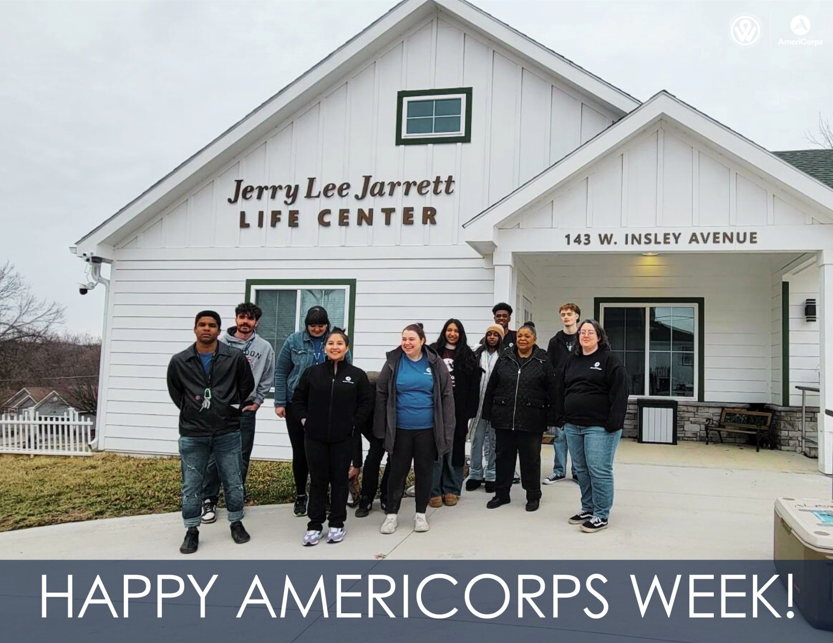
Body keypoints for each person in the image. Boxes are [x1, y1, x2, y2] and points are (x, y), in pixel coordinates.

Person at [166, 310, 255, 554]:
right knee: (191, 484)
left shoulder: (234, 357)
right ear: (195, 328)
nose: (207, 329)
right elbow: (176, 392)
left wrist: (228, 405)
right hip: (193, 433)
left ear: (218, 329)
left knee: (233, 480)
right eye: (202, 325)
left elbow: (246, 385)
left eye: (212, 325)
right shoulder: (180, 361)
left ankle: (236, 523)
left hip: (227, 429)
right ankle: (191, 530)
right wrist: (194, 409)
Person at [292, 328, 373, 546]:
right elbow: (298, 398)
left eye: (339, 344)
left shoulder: (356, 375)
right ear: (325, 347)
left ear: (346, 348)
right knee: (318, 481)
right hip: (315, 437)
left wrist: (353, 422)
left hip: (343, 438)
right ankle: (315, 525)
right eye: (330, 343)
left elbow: (366, 402)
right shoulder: (312, 373)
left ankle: (337, 523)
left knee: (339, 480)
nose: (334, 347)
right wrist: (304, 420)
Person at [375, 324, 455, 534]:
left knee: (424, 472)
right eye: (404, 339)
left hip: (427, 429)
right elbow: (382, 391)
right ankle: (391, 515)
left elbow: (446, 396)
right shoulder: (394, 362)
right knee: (397, 472)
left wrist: (447, 429)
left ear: (422, 341)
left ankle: (420, 514)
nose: (407, 343)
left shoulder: (435, 363)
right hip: (400, 428)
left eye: (412, 339)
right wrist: (382, 425)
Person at [201, 302, 275, 524]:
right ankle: (208, 499)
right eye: (242, 317)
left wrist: (258, 401)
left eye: (250, 318)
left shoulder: (264, 348)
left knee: (241, 456)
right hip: (220, 410)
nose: (245, 322)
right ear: (236, 319)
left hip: (246, 409)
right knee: (214, 455)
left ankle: (236, 497)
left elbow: (267, 377)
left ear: (256, 322)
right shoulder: (219, 343)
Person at [274, 306, 350, 518]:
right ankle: (300, 495)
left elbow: (347, 370)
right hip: (296, 403)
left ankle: (322, 494)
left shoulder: (336, 340)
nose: (317, 329)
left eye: (321, 325)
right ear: (306, 325)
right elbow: (281, 371)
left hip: (328, 405)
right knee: (301, 452)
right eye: (312, 325)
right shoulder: (293, 341)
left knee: (324, 453)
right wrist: (279, 402)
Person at [556, 319, 628, 533]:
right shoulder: (572, 360)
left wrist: (613, 423)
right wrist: (561, 417)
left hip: (600, 427)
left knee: (599, 469)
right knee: (582, 470)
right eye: (582, 332)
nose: (585, 335)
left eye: (590, 332)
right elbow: (561, 388)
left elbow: (620, 392)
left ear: (599, 336)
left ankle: (601, 514)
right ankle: (587, 508)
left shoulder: (609, 360)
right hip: (573, 425)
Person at [481, 321, 555, 512]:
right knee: (503, 458)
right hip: (504, 416)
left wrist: (552, 418)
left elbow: (552, 390)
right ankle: (501, 494)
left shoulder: (543, 360)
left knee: (530, 459)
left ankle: (533, 495)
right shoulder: (505, 358)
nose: (522, 339)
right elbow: (492, 385)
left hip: (532, 418)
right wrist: (487, 411)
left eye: (527, 336)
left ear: (534, 339)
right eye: (520, 336)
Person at [429, 319, 481, 507]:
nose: (452, 333)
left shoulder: (468, 355)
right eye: (449, 330)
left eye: (456, 330)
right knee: (435, 450)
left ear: (461, 334)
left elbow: (474, 385)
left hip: (458, 410)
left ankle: (451, 488)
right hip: (434, 409)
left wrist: (470, 411)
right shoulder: (432, 351)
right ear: (444, 332)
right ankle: (433, 490)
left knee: (455, 450)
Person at [543, 303, 580, 485]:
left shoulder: (584, 338)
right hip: (559, 394)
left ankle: (577, 472)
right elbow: (549, 367)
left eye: (569, 314)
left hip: (578, 394)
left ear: (577, 317)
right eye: (563, 314)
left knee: (576, 435)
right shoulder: (554, 341)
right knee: (559, 435)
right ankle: (558, 470)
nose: (566, 317)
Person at [466, 324, 504, 493]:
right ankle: (475, 474)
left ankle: (491, 474)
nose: (492, 337)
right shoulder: (476, 354)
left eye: (496, 334)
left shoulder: (504, 356)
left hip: (495, 404)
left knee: (494, 440)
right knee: (477, 439)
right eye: (489, 334)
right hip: (478, 403)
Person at [354, 371, 392, 517]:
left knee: (393, 458)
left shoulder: (385, 399)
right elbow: (355, 435)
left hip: (389, 424)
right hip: (368, 426)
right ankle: (366, 498)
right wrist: (356, 464)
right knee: (373, 458)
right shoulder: (357, 403)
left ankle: (387, 496)